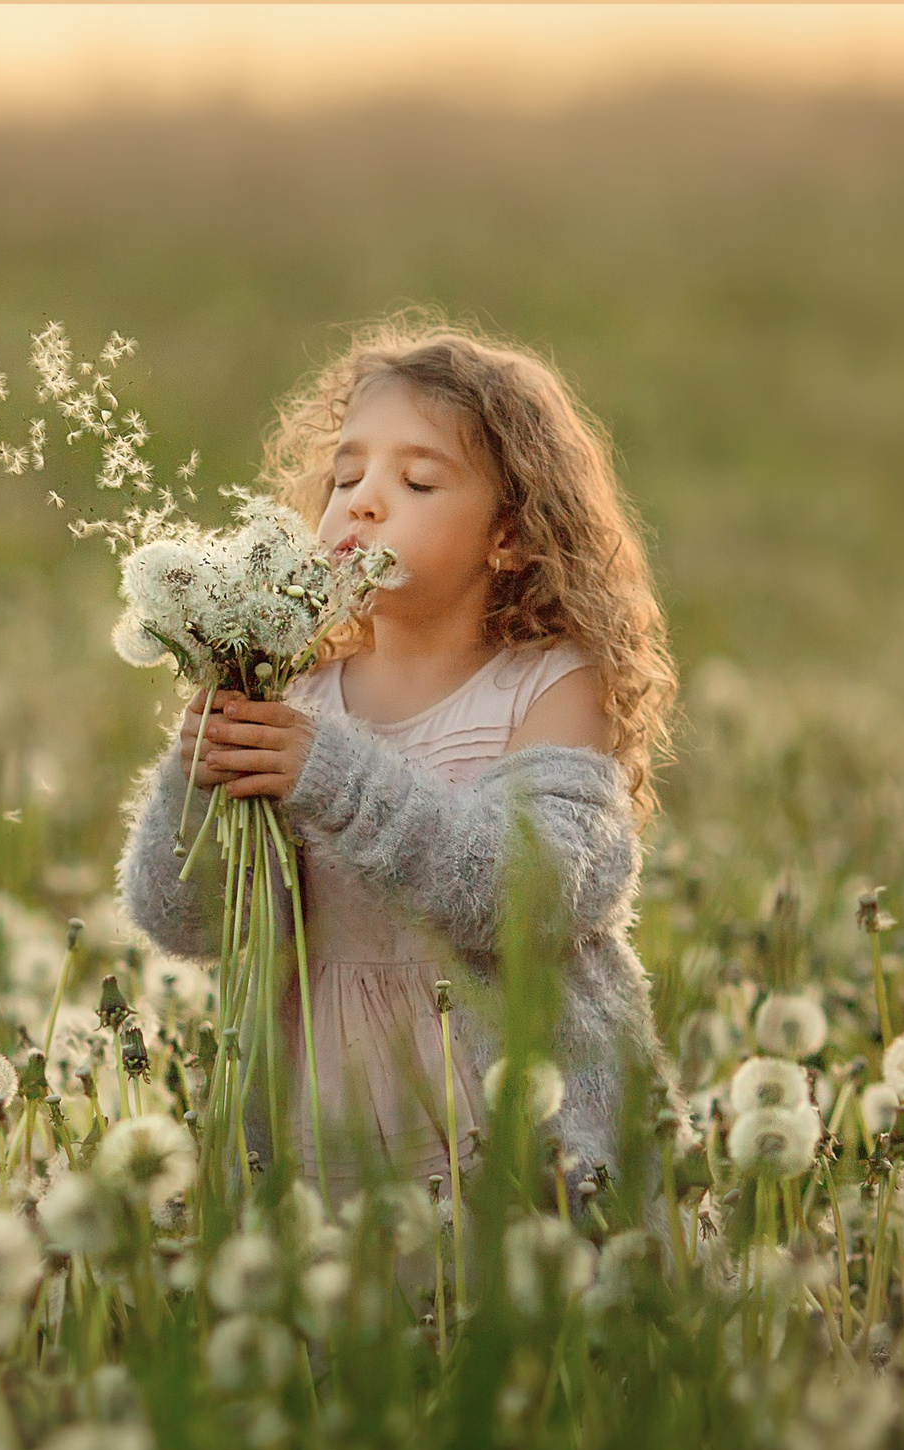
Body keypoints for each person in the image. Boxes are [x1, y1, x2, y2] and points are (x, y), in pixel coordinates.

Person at [118, 316, 676, 1198]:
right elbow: (182, 920)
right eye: (346, 475)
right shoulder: (296, 695)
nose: (363, 499)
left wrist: (328, 778)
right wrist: (196, 780)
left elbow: (527, 894)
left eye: (417, 480)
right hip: (324, 1130)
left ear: (511, 537)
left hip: (515, 1140)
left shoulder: (551, 688)